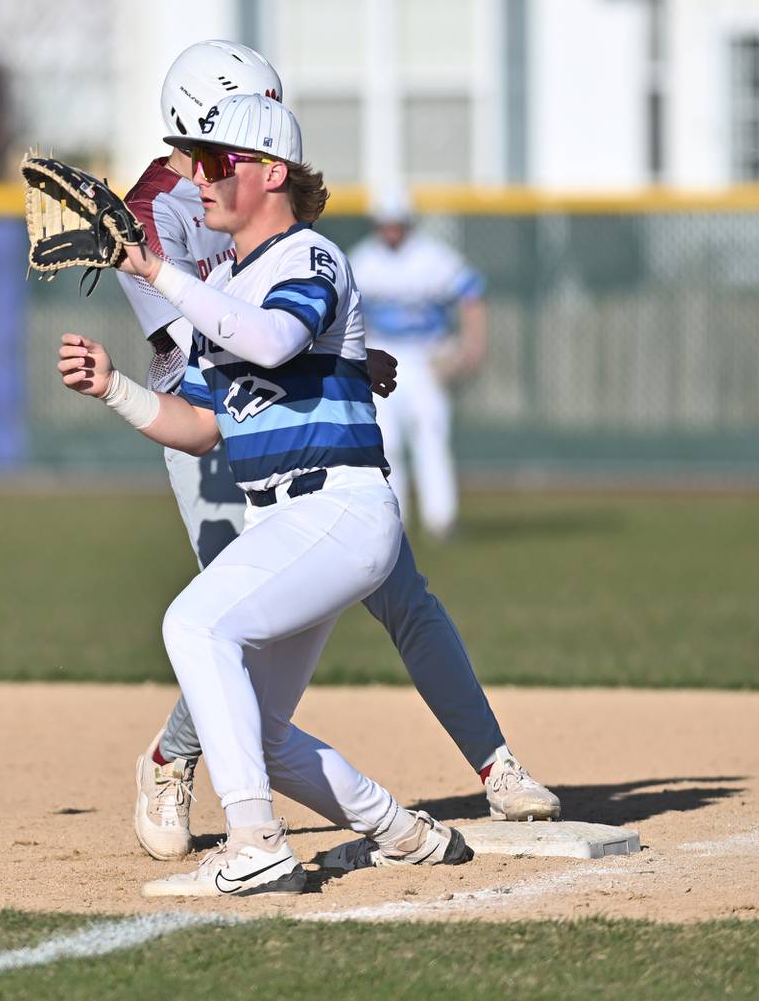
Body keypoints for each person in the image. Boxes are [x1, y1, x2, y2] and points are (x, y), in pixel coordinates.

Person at [115, 41, 558, 868]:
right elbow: (198, 347)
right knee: (221, 627)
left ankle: (494, 766)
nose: (247, 152)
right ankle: (175, 764)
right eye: (237, 129)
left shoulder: (256, 200)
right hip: (210, 417)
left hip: (296, 417)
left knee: (403, 595)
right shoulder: (151, 209)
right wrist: (115, 381)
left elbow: (291, 308)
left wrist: (344, 360)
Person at [60, 92, 473, 897]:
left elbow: (278, 338)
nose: (196, 178)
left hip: (339, 509)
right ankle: (405, 832)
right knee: (265, 735)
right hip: (291, 526)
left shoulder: (310, 258)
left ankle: (254, 840)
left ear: (270, 173)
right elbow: (204, 426)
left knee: (192, 621)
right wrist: (114, 389)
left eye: (215, 161)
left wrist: (155, 269)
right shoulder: (233, 288)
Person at [349, 191, 488, 540]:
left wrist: (471, 347)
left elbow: (471, 294)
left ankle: (441, 520)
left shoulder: (432, 258)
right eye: (386, 223)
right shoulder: (363, 260)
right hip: (381, 360)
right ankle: (391, 520)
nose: (392, 230)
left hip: (427, 359)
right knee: (385, 442)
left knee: (431, 436)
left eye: (397, 223)